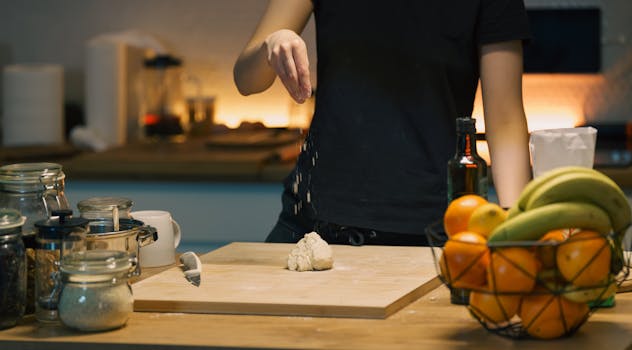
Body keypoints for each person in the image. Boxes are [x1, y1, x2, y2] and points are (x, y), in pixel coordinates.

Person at [233, 0, 532, 246]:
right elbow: (246, 79)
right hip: (312, 222)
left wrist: (523, 230)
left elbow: (504, 122)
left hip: (429, 229)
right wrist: (270, 46)